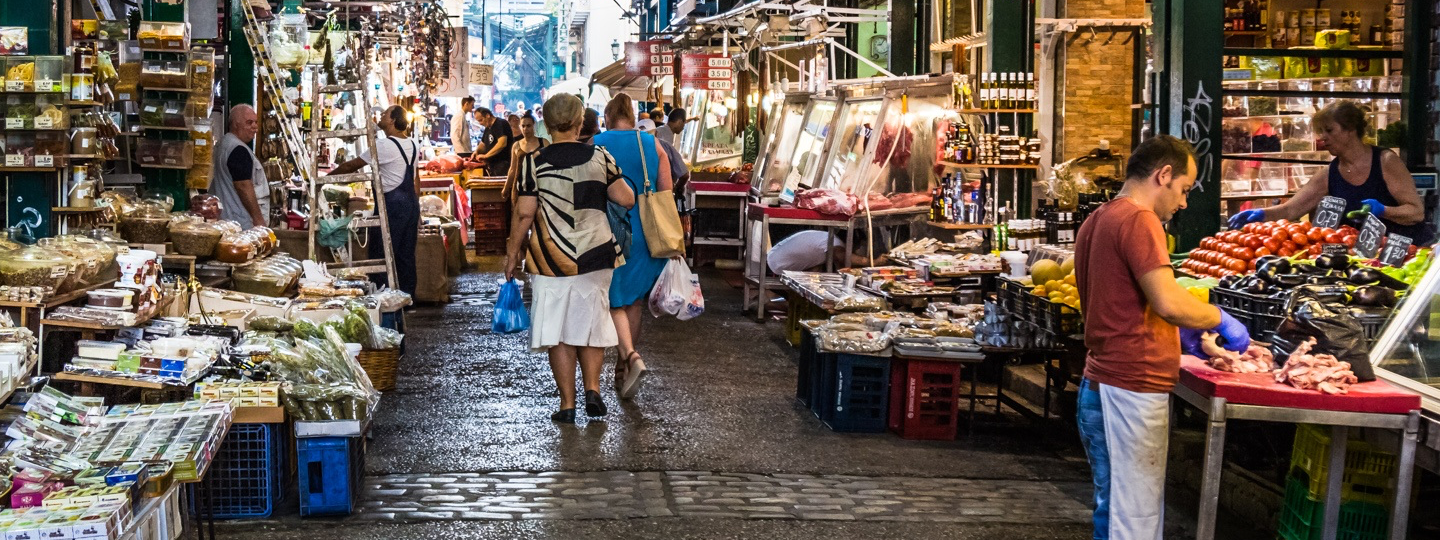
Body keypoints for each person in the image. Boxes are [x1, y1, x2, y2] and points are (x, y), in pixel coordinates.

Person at [1073, 135, 1250, 540]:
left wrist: (1184, 334)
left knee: (1115, 506)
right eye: (1184, 190)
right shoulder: (1139, 219)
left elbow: (1123, 303)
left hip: (1103, 381)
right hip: (1130, 386)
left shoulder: (1098, 218)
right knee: (1132, 518)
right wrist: (1218, 317)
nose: (1184, 203)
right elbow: (1168, 301)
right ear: (1163, 175)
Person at [502, 93, 636, 423]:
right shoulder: (600, 157)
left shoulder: (534, 162)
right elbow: (626, 198)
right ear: (579, 123)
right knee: (589, 324)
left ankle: (567, 403)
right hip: (595, 253)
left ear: (547, 124)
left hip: (550, 258)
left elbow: (524, 213)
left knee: (558, 330)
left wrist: (512, 253)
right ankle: (593, 390)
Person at [1228, 101, 1432, 243]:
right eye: (1320, 132)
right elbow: (1291, 210)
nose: (1322, 138)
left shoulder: (1386, 162)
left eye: (1329, 131)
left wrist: (1384, 211)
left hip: (1406, 252)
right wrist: (1262, 214)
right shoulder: (1329, 174)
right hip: (1368, 258)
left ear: (1350, 129)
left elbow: (1415, 212)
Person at [592, 93, 677, 400]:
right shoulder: (653, 144)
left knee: (613, 300)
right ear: (632, 116)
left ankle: (628, 356)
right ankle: (622, 366)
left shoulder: (596, 143)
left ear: (607, 117)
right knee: (634, 303)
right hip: (645, 233)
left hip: (608, 230)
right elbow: (666, 192)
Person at [326, 105, 422, 295]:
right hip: (410, 202)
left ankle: (383, 295)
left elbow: (352, 165)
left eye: (385, 114)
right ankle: (408, 296)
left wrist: (325, 179)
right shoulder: (412, 143)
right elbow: (416, 178)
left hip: (393, 204)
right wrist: (416, 206)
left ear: (393, 121)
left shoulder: (384, 145)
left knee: (381, 253)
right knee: (405, 253)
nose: (382, 115)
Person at [213, 104, 270, 227]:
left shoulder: (223, 143)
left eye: (255, 122)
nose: (255, 127)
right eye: (249, 123)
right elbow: (243, 186)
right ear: (235, 124)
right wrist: (258, 220)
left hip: (227, 218)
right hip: (241, 223)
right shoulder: (238, 149)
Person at [766, 230, 886, 274]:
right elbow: (841, 257)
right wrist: (874, 262)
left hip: (774, 258)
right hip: (780, 264)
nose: (858, 249)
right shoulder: (835, 242)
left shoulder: (824, 237)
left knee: (817, 270)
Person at [502, 112, 550, 205]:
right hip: (520, 187)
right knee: (519, 216)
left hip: (540, 186)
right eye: (523, 126)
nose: (525, 129)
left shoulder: (544, 142)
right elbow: (512, 169)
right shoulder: (516, 145)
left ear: (533, 126)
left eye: (528, 126)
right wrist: (506, 187)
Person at [471, 107, 515, 176]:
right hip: (493, 166)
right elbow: (483, 144)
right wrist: (476, 151)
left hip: (503, 164)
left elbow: (502, 143)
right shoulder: (487, 128)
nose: (480, 123)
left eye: (481, 120)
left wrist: (486, 156)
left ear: (488, 115)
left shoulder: (500, 123)